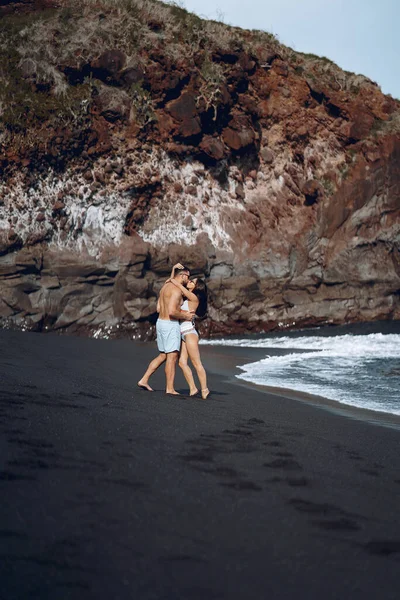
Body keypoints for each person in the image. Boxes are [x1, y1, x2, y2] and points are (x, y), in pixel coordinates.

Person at [137, 265, 193, 396]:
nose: (188, 280)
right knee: (172, 357)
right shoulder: (176, 290)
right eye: (188, 277)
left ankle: (144, 380)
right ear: (183, 275)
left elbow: (158, 309)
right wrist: (186, 316)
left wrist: (173, 270)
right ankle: (170, 388)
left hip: (160, 323)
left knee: (163, 355)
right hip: (170, 324)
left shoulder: (165, 287)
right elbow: (172, 312)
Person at [169, 272, 210, 400]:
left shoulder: (193, 298)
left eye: (193, 282)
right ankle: (193, 388)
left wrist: (173, 279)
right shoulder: (187, 298)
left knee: (197, 363)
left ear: (196, 287)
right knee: (181, 363)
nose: (190, 281)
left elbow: (180, 287)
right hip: (183, 333)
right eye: (191, 280)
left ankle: (204, 389)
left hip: (189, 333)